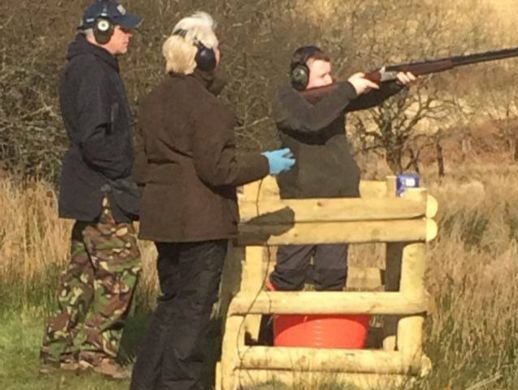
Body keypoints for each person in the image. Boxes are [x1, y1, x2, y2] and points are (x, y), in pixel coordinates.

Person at [129, 12, 295, 390]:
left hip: (163, 221)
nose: (220, 53)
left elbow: (140, 166)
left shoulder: (150, 101)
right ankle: (179, 383)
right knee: (193, 310)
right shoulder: (210, 107)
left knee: (170, 303)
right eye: (216, 48)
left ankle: (146, 383)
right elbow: (218, 170)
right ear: (203, 57)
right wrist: (264, 163)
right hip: (201, 223)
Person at [39, 0, 143, 380]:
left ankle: (57, 350)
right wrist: (125, 173)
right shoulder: (93, 72)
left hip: (88, 186)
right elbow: (94, 138)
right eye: (122, 29)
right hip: (103, 189)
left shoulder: (89, 67)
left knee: (81, 276)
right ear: (100, 30)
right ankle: (95, 351)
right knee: (124, 269)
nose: (129, 35)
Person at [269, 46, 416, 293]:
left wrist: (395, 84)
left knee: (332, 276)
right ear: (299, 77)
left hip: (340, 199)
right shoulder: (286, 101)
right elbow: (312, 122)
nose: (330, 81)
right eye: (322, 76)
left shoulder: (332, 100)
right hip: (303, 202)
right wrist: (347, 90)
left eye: (330, 74)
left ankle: (326, 332)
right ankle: (268, 331)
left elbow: (365, 98)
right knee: (289, 276)